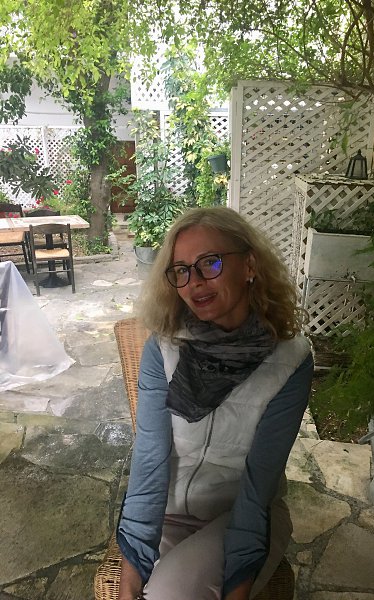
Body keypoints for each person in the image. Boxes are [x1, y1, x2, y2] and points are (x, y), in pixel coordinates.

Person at [117, 206, 314, 600]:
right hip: (168, 512)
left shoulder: (292, 360)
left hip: (239, 517)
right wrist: (128, 582)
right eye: (182, 270)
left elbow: (258, 488)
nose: (195, 282)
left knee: (167, 594)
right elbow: (149, 460)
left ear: (249, 266)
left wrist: (237, 586)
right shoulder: (164, 348)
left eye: (210, 262)